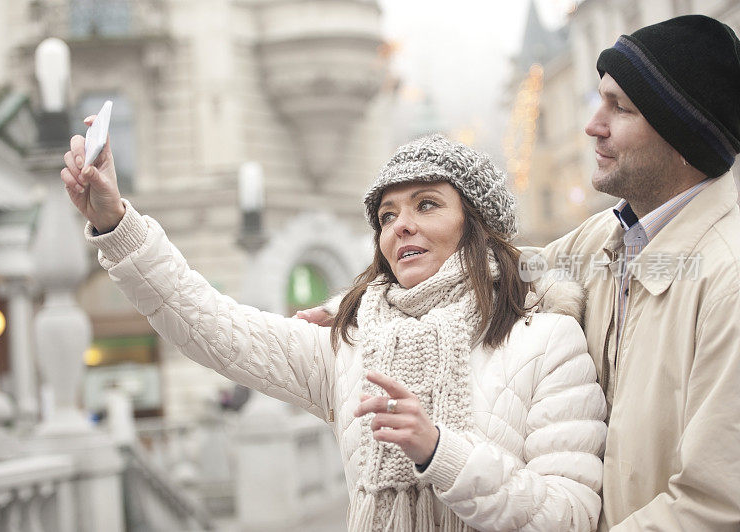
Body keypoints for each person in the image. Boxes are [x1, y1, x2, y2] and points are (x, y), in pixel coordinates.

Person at [300, 14, 740, 532]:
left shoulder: (726, 278)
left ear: (680, 131)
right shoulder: (603, 241)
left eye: (619, 108)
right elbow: (482, 272)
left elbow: (716, 505)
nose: (592, 124)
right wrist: (357, 306)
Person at [61, 131, 607, 530]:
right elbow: (208, 324)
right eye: (387, 216)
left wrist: (440, 452)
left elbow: (573, 514)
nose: (402, 226)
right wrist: (117, 226)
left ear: (478, 226)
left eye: (427, 204)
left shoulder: (546, 338)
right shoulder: (349, 343)